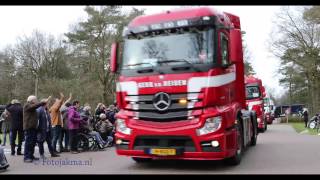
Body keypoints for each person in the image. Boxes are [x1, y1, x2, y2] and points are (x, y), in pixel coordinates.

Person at [23, 95, 50, 163]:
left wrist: (43, 103)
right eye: (36, 100)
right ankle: (26, 157)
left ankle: (31, 156)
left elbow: (35, 107)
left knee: (32, 143)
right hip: (29, 127)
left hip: (33, 127)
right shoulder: (27, 105)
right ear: (32, 100)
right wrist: (42, 102)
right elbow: (34, 106)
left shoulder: (32, 107)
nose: (36, 101)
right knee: (28, 143)